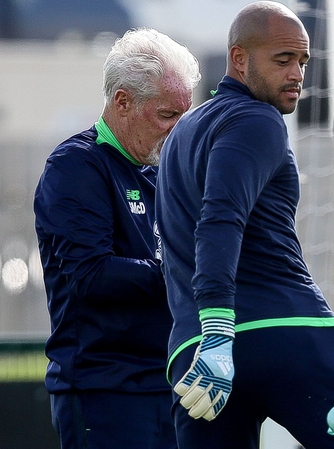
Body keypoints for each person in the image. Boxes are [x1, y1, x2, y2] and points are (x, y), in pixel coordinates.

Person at [154, 2, 334, 448]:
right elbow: (220, 220)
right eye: (283, 60)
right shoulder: (257, 119)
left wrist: (208, 336)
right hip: (281, 330)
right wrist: (218, 326)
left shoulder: (179, 136)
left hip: (196, 355)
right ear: (239, 59)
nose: (297, 75)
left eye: (303, 61)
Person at [33, 28, 200, 449]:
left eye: (185, 116)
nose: (179, 130)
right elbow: (91, 275)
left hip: (171, 384)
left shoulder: (166, 172)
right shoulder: (75, 167)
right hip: (106, 393)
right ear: (123, 101)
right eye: (167, 115)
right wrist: (183, 273)